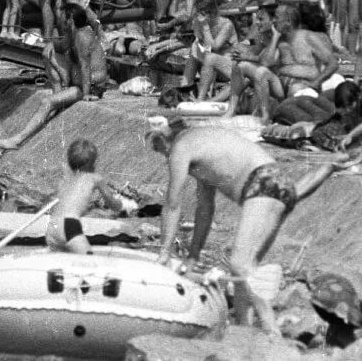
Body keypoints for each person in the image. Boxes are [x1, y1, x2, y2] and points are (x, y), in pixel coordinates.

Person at [148, 114, 352, 334]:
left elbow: (172, 203)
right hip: (279, 183)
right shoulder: (202, 143)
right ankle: (243, 334)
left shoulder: (181, 147)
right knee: (244, 276)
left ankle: (271, 331)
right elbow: (205, 209)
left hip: (261, 185)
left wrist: (164, 252)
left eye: (158, 150)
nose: (163, 156)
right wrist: (193, 256)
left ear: (162, 139)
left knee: (239, 266)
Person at [47, 139, 131, 254]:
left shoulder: (66, 181)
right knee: (88, 264)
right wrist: (125, 204)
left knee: (62, 266)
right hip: (69, 225)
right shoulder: (95, 178)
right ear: (92, 163)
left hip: (52, 226)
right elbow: (114, 205)